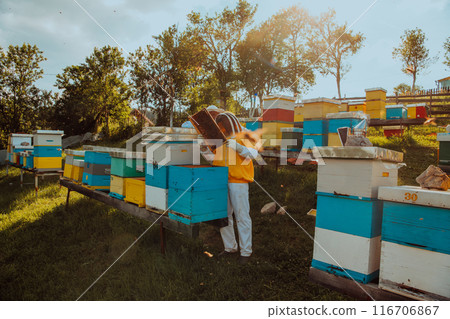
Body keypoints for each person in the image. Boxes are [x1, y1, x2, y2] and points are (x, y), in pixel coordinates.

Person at [212, 111, 260, 264]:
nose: (221, 129)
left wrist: (238, 147)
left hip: (238, 182)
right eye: (219, 127)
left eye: (222, 126)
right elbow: (215, 155)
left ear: (229, 123)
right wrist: (205, 147)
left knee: (242, 216)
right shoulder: (220, 138)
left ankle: (246, 252)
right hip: (220, 180)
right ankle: (230, 247)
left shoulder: (243, 135)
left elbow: (254, 154)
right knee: (224, 216)